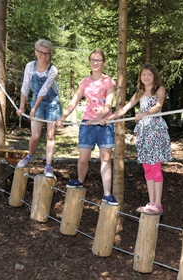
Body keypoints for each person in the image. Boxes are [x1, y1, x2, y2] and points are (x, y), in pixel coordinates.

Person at [103, 63, 173, 215]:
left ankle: (158, 204)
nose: (146, 77)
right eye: (143, 74)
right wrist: (109, 118)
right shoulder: (140, 92)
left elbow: (158, 106)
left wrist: (144, 113)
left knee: (155, 167)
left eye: (149, 74)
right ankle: (151, 202)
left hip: (155, 131)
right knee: (147, 168)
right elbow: (125, 108)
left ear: (154, 76)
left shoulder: (159, 90)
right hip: (143, 132)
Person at [56, 48, 118, 206]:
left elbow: (109, 103)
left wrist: (100, 118)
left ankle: (107, 194)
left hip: (104, 124)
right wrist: (63, 117)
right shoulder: (84, 82)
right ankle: (80, 180)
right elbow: (74, 101)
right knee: (83, 158)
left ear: (103, 62)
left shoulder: (109, 81)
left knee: (105, 158)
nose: (95, 63)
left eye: (98, 60)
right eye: (93, 60)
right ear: (89, 62)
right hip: (87, 124)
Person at [16, 39, 61, 178]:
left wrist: (33, 108)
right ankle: (29, 156)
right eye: (41, 52)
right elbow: (25, 86)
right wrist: (22, 106)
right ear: (36, 52)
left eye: (47, 54)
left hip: (52, 102)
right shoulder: (30, 66)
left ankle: (48, 166)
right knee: (35, 136)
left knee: (50, 135)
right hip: (37, 101)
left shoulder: (53, 70)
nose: (44, 56)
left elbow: (44, 90)